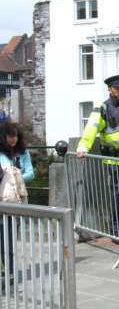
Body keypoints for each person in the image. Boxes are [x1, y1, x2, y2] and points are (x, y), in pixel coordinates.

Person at [76, 75, 119, 244]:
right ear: (110, 89)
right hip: (115, 161)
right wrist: (83, 146)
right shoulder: (102, 108)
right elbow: (91, 129)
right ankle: (117, 232)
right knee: (118, 197)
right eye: (117, 88)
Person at [0, 122, 34, 289]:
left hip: (17, 202)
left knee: (9, 241)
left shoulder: (23, 152)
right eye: (10, 136)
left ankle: (10, 274)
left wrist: (15, 177)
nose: (13, 139)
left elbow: (31, 173)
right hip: (2, 199)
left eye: (16, 136)